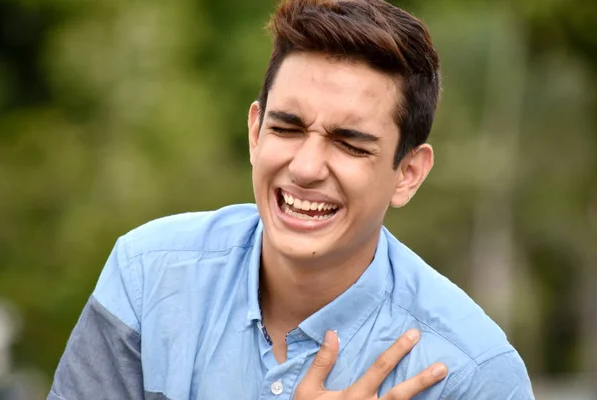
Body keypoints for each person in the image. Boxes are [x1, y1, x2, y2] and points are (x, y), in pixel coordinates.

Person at [48, 0, 535, 399]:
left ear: (407, 174)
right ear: (255, 131)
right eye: (287, 128)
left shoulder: (473, 375)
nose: (305, 168)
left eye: (350, 143)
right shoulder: (146, 279)